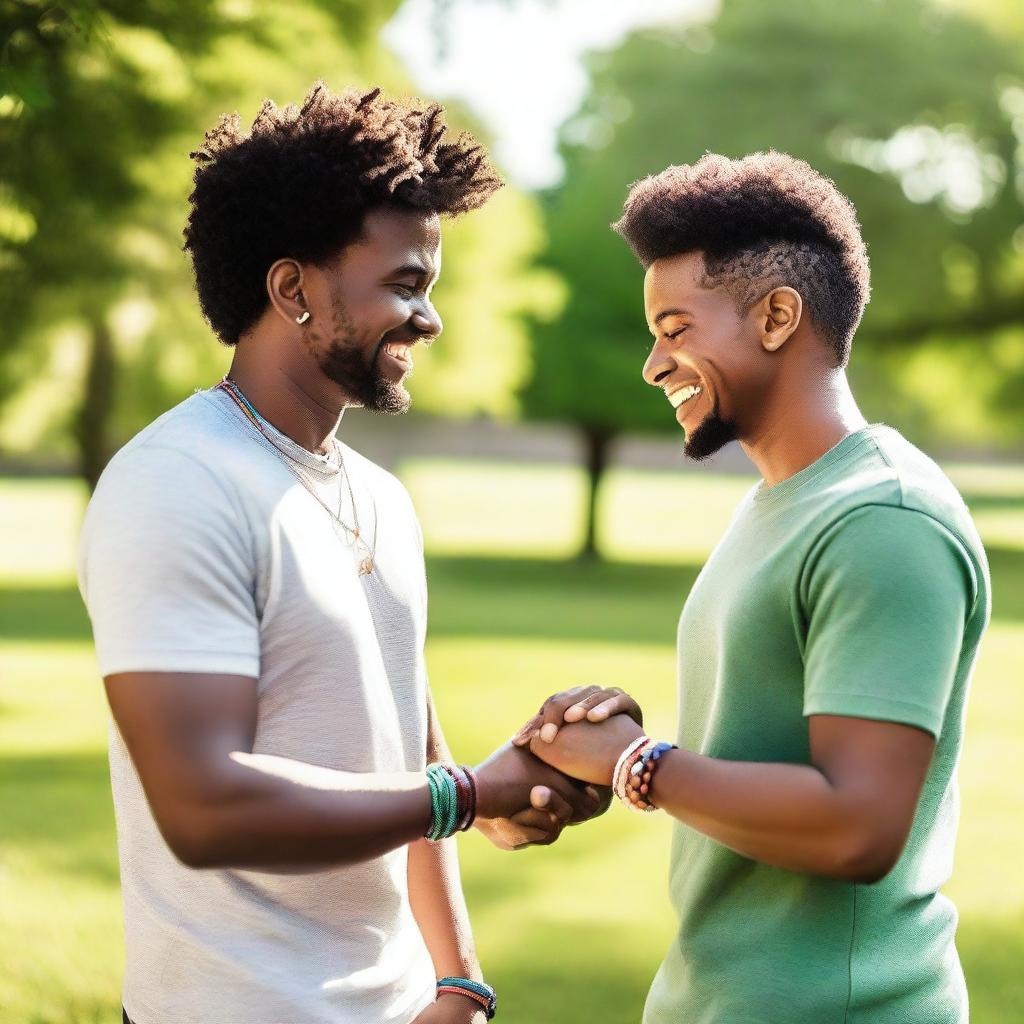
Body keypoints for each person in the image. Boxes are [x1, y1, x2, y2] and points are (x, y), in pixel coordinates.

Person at [78, 83, 607, 1024]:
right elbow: (204, 808)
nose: (430, 319)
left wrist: (460, 980)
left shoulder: (382, 498)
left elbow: (413, 753)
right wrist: (466, 793)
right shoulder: (176, 482)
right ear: (293, 290)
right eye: (405, 285)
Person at [514, 152, 991, 1024]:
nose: (655, 364)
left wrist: (636, 764)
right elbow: (756, 751)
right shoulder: (779, 504)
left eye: (675, 326)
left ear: (776, 316)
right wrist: (609, 747)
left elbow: (858, 826)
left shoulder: (884, 519)